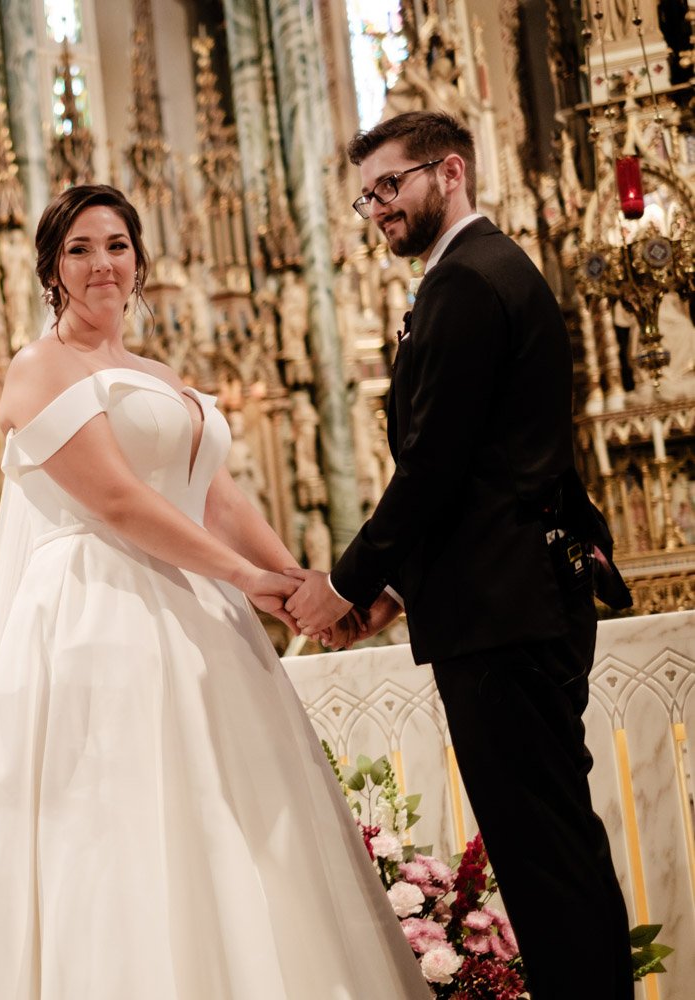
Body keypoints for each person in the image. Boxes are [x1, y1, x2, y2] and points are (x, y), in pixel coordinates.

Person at [0, 184, 430, 999]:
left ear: (139, 260)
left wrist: (302, 585)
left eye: (115, 244)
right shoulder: (39, 368)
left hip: (197, 611)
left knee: (226, 817)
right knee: (120, 821)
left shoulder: (153, 373)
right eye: (78, 248)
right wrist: (247, 579)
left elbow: (215, 494)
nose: (101, 262)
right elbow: (117, 501)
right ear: (52, 270)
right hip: (98, 614)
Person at [285, 110, 632, 1000]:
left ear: (449, 172)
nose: (377, 209)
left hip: (503, 611)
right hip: (511, 595)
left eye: (390, 186)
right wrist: (397, 588)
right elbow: (490, 465)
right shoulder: (487, 271)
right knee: (550, 846)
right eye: (366, 196)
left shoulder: (468, 283)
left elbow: (435, 467)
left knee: (544, 854)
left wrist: (344, 584)